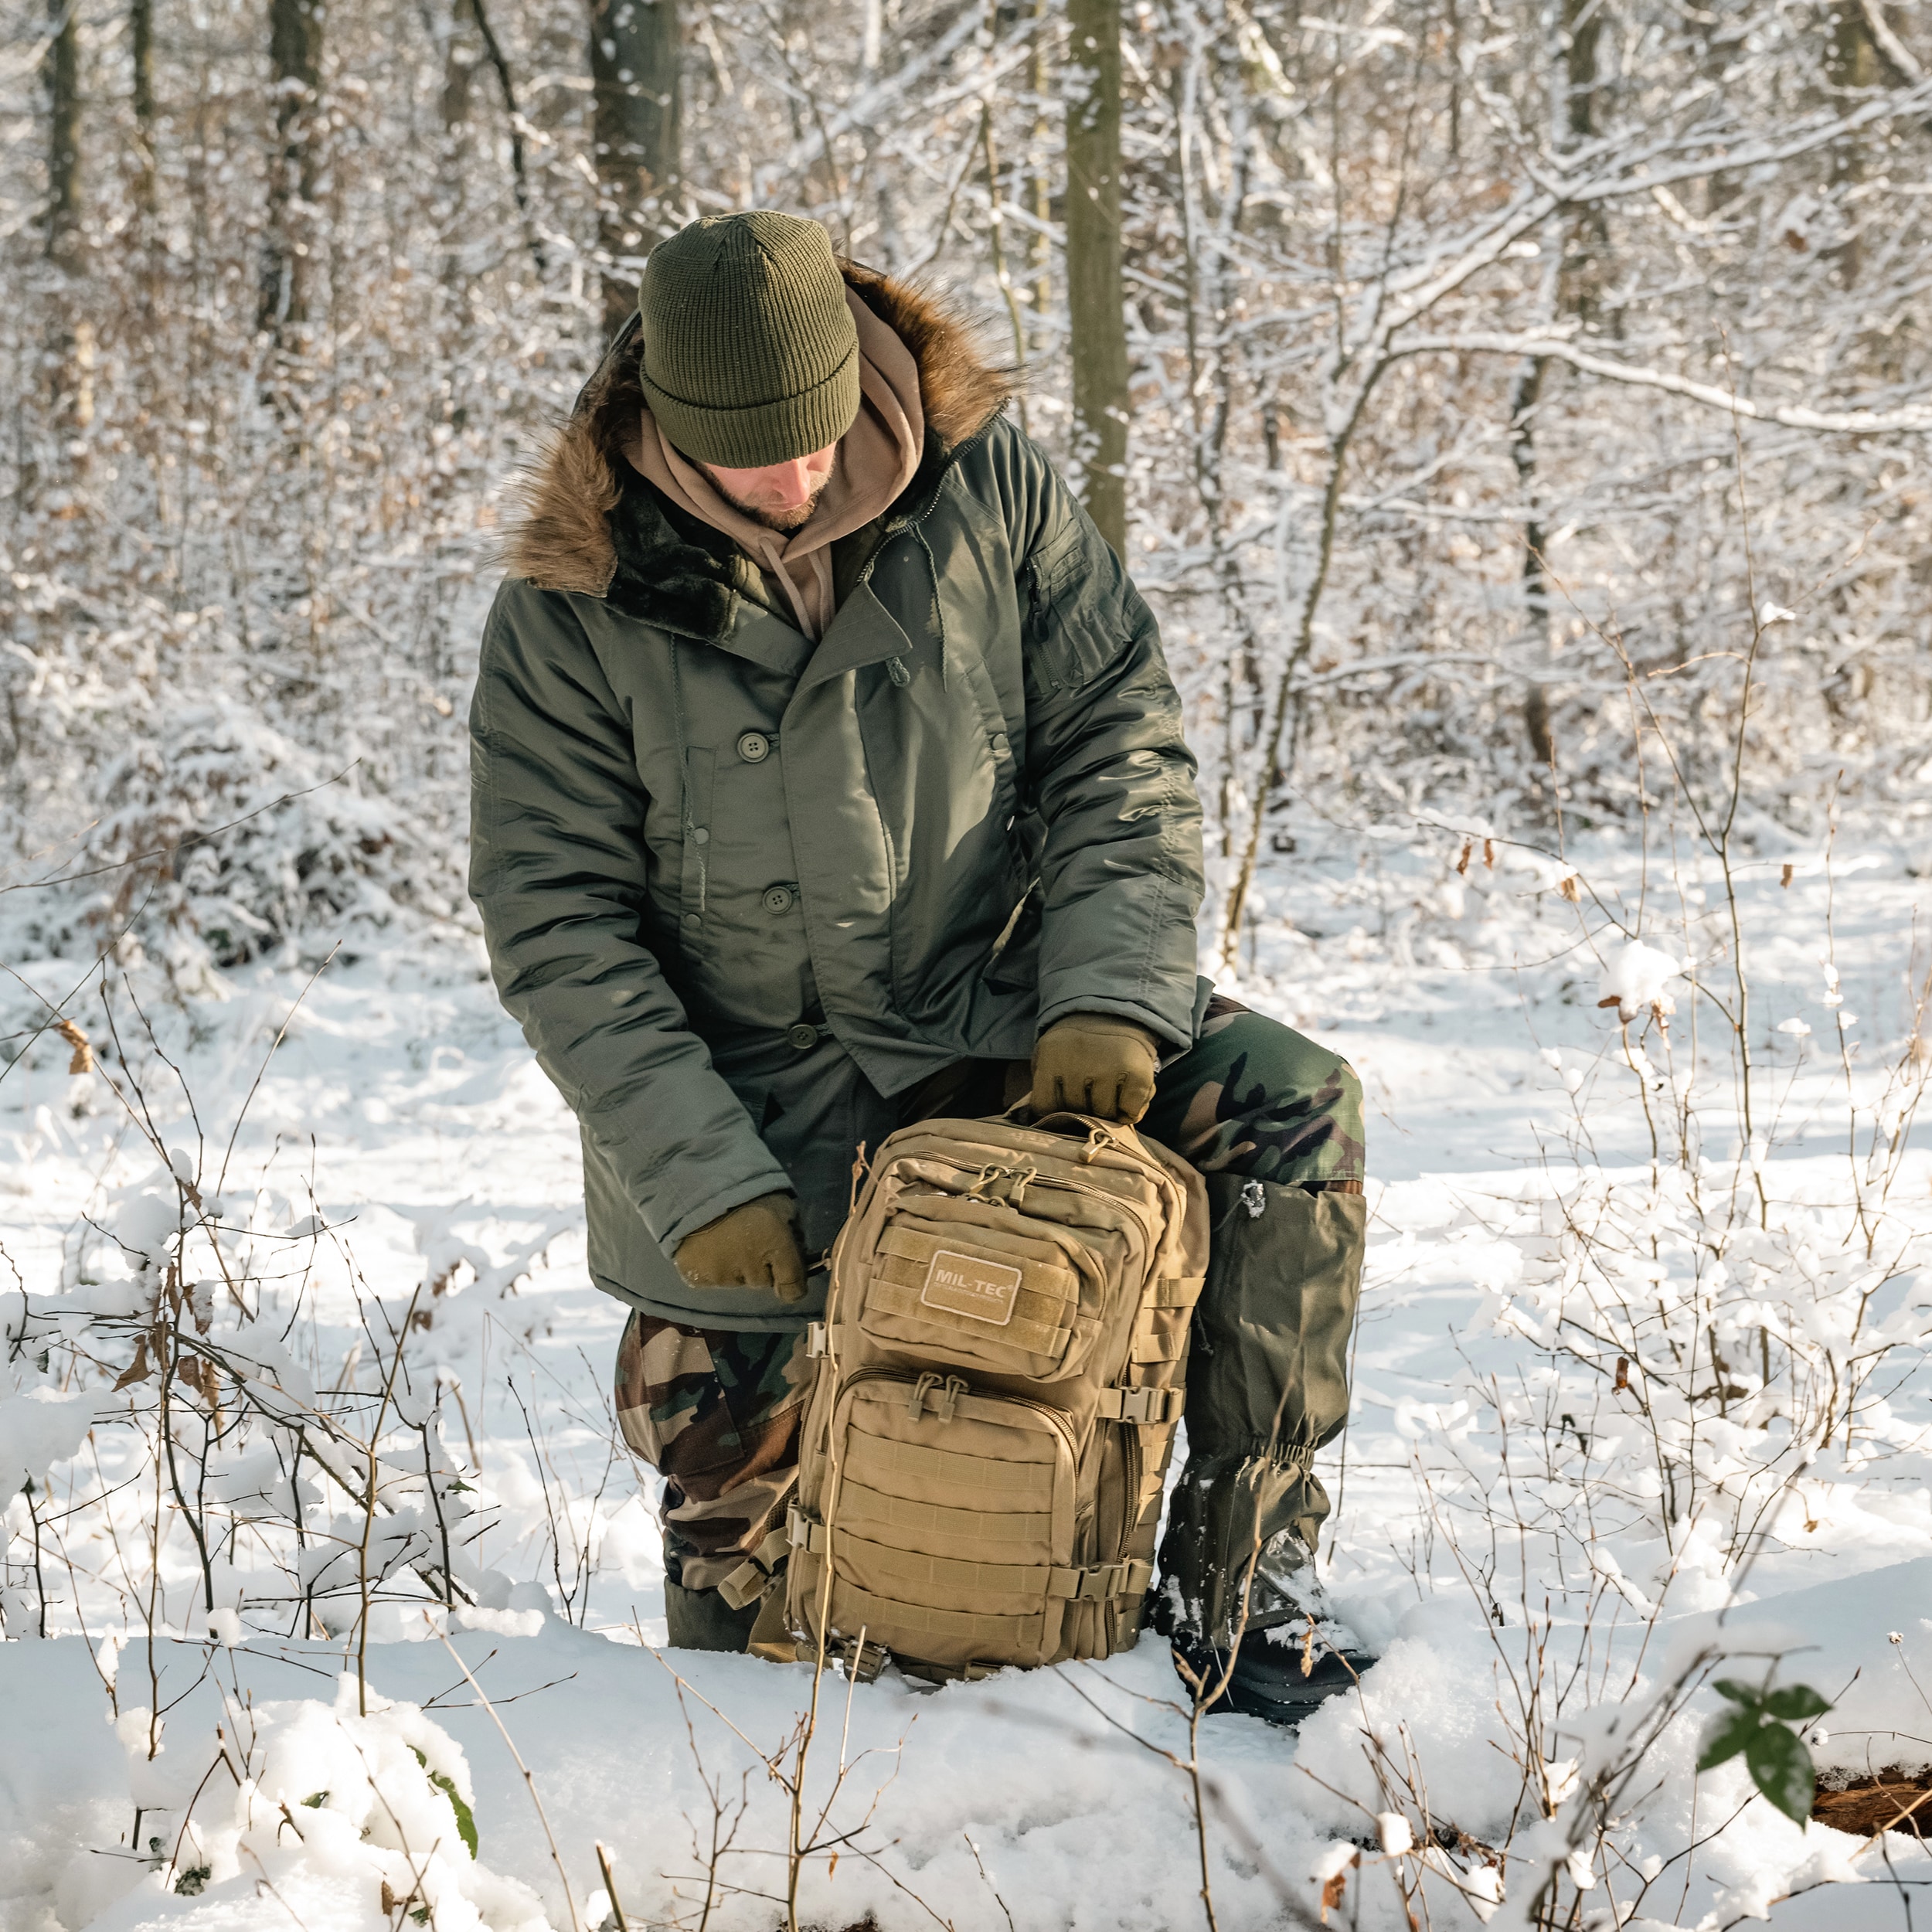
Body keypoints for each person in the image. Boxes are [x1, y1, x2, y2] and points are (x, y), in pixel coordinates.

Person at [468, 210, 1367, 1724]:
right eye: (747, 459)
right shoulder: (573, 601)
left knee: (1288, 1103)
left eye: (815, 438)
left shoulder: (981, 480)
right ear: (662, 427)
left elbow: (1111, 739)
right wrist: (703, 1179)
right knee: (757, 1673)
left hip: (991, 1010)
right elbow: (557, 925)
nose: (795, 480)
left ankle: (1235, 1586)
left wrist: (1106, 991)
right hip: (742, 1100)